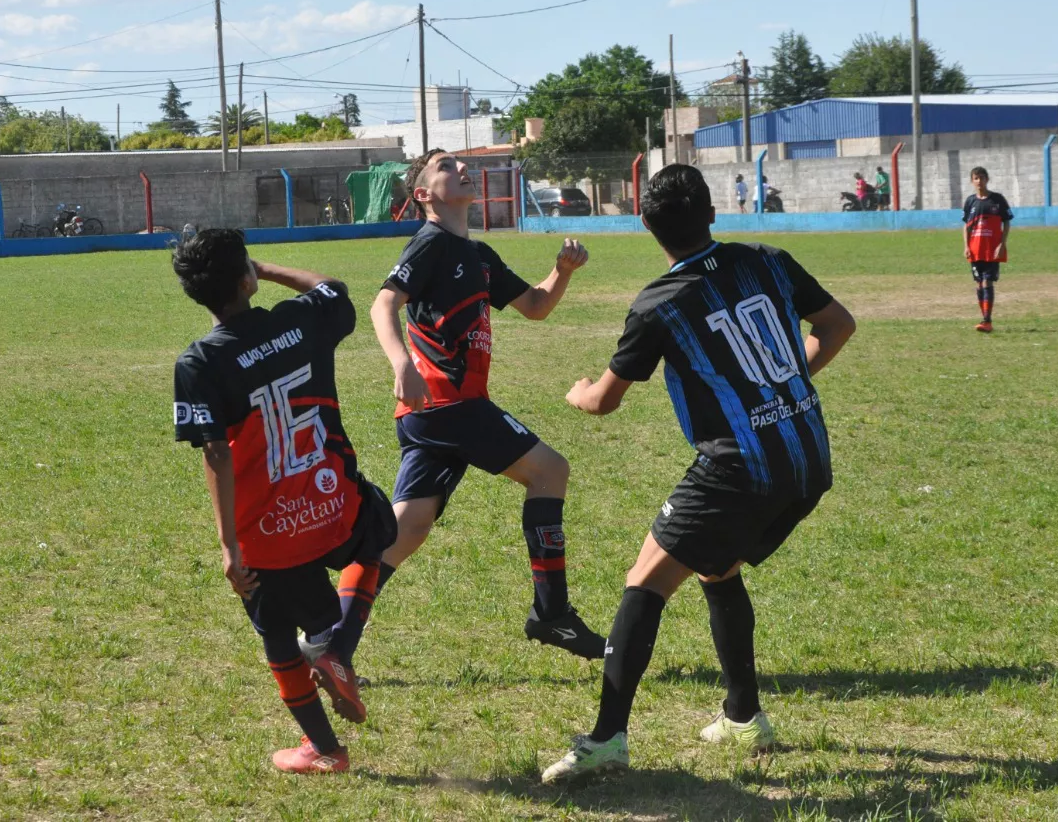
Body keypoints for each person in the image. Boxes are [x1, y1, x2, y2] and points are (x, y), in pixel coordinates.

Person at [541, 165, 856, 784]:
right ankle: (743, 716)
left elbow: (605, 400)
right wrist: (779, 389)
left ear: (646, 226)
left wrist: (576, 393)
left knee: (644, 583)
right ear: (713, 212)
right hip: (808, 459)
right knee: (719, 566)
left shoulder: (661, 303)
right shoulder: (768, 259)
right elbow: (838, 325)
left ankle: (607, 739)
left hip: (741, 467)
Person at [363, 148, 606, 660]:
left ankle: (325, 634)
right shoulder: (428, 244)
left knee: (407, 529)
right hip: (449, 404)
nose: (460, 169)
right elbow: (383, 303)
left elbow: (535, 307)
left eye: (461, 164)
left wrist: (561, 270)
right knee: (550, 471)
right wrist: (400, 364)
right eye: (444, 167)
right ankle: (552, 614)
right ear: (424, 194)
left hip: (439, 412)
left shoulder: (479, 256)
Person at [172, 229, 396, 774]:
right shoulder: (299, 321)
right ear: (247, 278)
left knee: (276, 633)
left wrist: (230, 545)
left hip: (269, 533)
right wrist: (266, 269)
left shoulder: (198, 362)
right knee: (383, 526)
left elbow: (217, 455)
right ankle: (333, 641)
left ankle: (324, 746)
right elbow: (333, 288)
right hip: (336, 504)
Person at [962, 166, 1013, 333]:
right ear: (972, 181)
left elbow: (1006, 222)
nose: (979, 181)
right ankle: (985, 319)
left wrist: (1002, 244)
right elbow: (966, 227)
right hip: (975, 249)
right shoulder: (970, 201)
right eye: (976, 178)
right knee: (978, 284)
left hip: (992, 249)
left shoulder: (997, 200)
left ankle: (987, 320)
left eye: (982, 178)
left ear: (987, 179)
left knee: (987, 281)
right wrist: (966, 246)